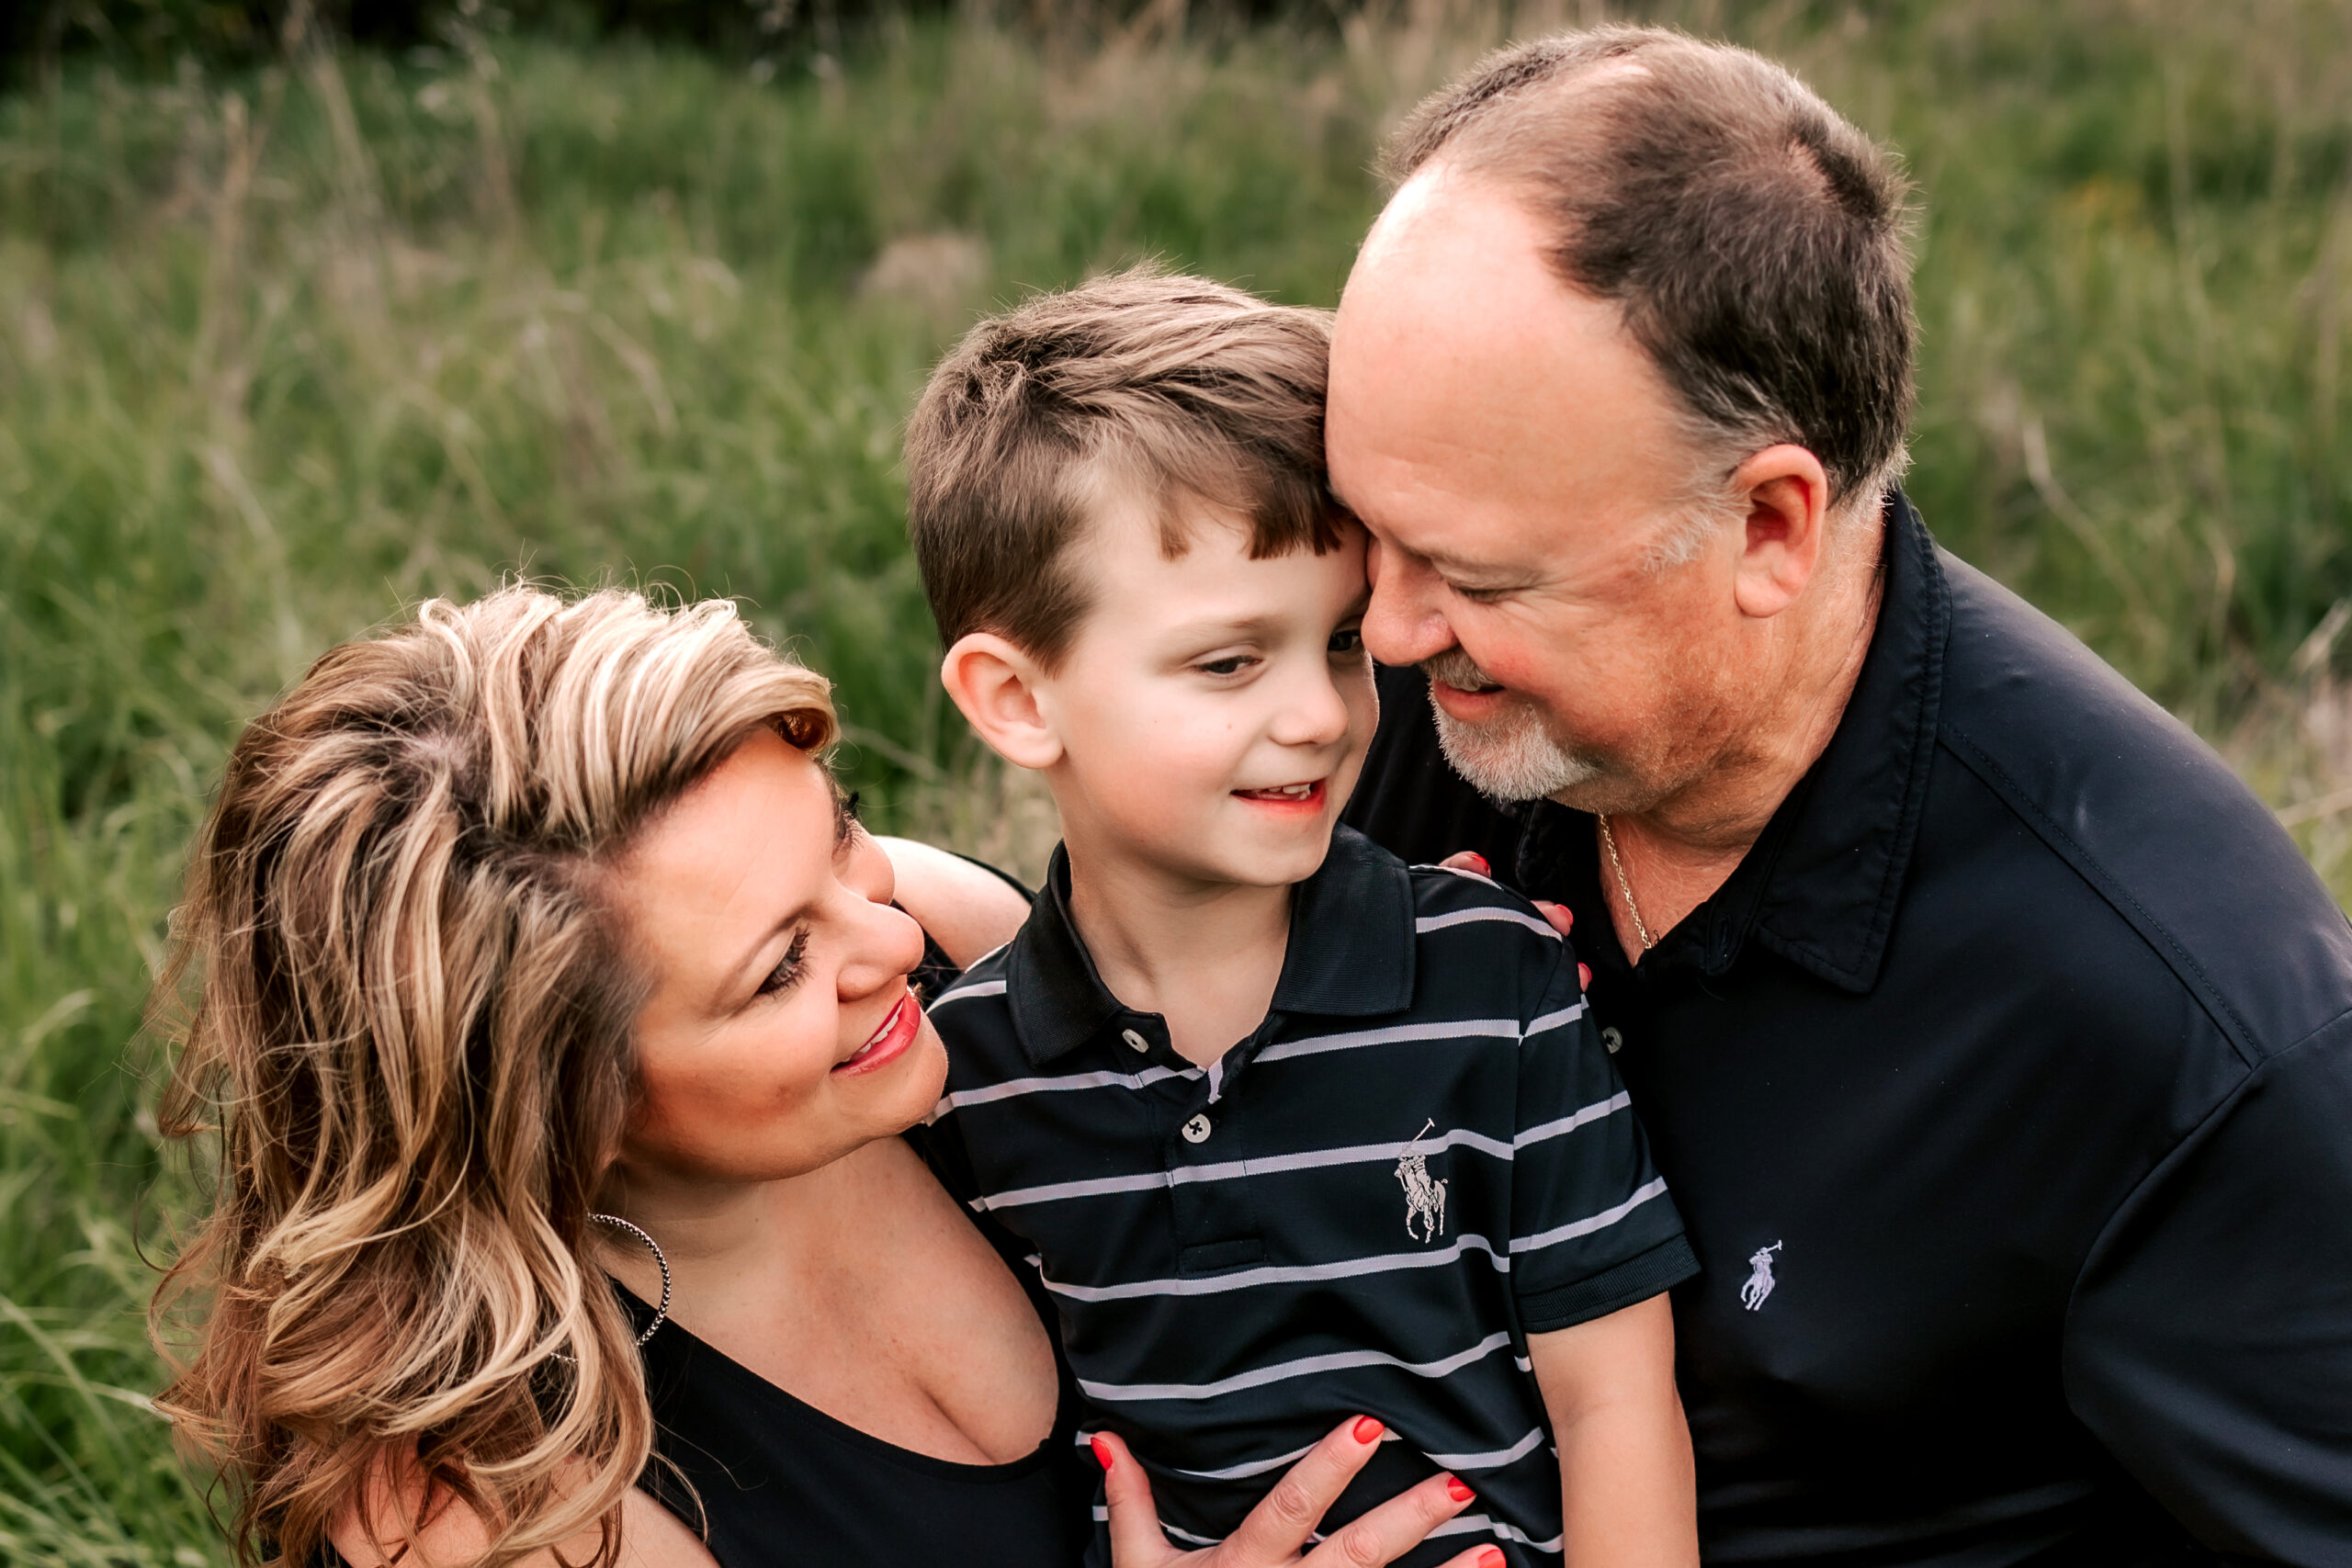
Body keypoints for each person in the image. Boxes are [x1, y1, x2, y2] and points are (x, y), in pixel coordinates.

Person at [1326, 25, 2352, 1565]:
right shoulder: (1373, 693)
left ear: (1771, 527)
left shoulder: (2176, 1024)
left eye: (1473, 576)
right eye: (1366, 532)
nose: (1389, 635)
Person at [146, 585, 1491, 1568]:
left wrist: (1446, 977)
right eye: (782, 971)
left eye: (843, 837)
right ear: (567, 1115)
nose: (899, 942)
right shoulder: (495, 1508)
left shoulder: (941, 943)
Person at [904, 269, 1701, 1568]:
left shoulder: (1493, 983)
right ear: (1014, 700)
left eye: (1340, 645)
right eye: (1229, 661)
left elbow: (1614, 1404)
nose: (1324, 716)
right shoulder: (966, 1082)